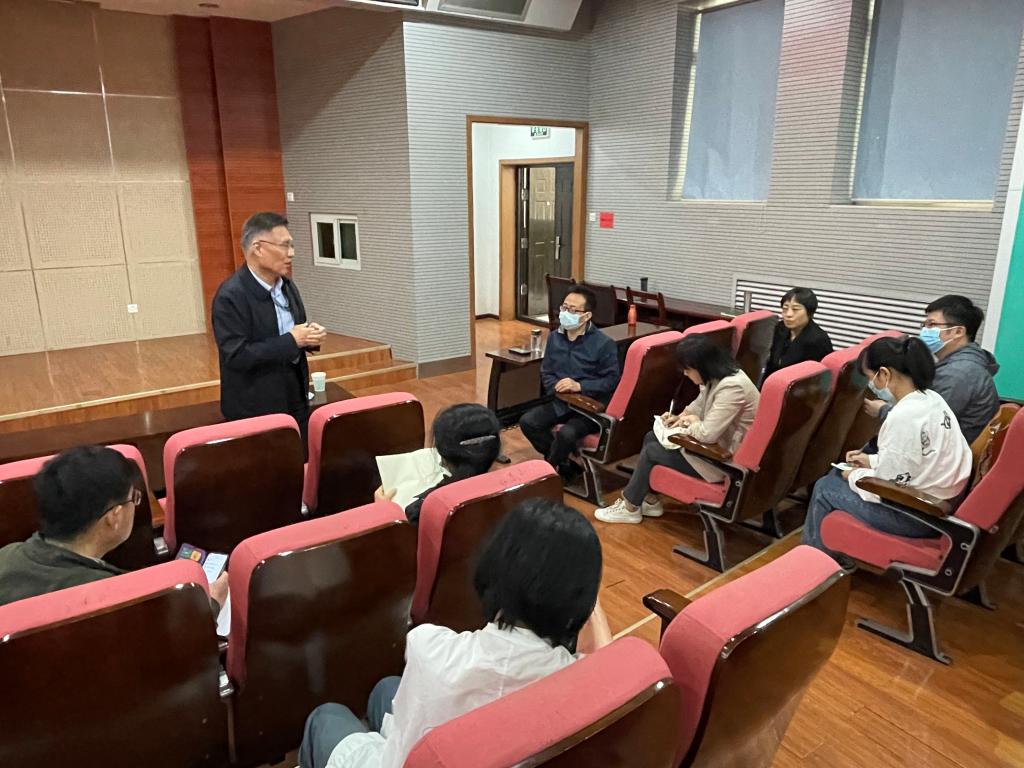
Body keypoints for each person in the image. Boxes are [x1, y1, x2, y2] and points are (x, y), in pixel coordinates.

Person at [298, 498, 612, 768]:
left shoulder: (431, 650)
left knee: (325, 718)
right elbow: (612, 669)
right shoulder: (581, 682)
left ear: (494, 566)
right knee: (385, 689)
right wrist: (587, 610)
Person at [802, 337, 972, 561]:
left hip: (918, 514)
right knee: (838, 474)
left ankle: (814, 561)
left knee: (825, 486)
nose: (870, 385)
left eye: (870, 377)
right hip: (940, 500)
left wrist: (853, 475)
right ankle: (831, 553)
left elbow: (885, 486)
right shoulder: (932, 399)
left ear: (884, 374)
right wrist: (870, 461)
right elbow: (915, 458)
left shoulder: (903, 416)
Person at [0, 446, 230, 609]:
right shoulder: (112, 597)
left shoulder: (6, 556)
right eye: (134, 498)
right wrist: (211, 603)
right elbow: (175, 638)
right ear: (114, 517)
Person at [595, 335, 760, 524]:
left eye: (687, 370)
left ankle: (630, 507)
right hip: (717, 446)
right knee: (651, 437)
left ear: (702, 366)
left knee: (651, 451)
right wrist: (680, 417)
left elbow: (707, 435)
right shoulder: (717, 375)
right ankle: (649, 500)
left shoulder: (732, 387)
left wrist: (689, 422)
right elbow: (700, 403)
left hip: (723, 459)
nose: (685, 374)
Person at [212, 212, 326, 441]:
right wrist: (293, 340)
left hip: (295, 396)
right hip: (254, 407)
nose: (291, 253)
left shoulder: (286, 286)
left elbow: (292, 331)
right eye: (284, 246)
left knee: (301, 457)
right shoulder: (230, 296)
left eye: (291, 245)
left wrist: (309, 337)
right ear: (258, 248)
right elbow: (236, 355)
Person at [863, 295, 999, 445]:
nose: (924, 331)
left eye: (932, 325)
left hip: (943, 455)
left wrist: (883, 410)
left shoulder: (959, 373)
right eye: (924, 325)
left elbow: (924, 427)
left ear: (958, 331)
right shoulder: (962, 364)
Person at [518, 284, 620, 482]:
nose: (566, 313)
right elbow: (546, 371)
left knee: (567, 433)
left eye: (573, 310)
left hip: (590, 406)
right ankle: (564, 464)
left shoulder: (604, 344)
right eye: (564, 308)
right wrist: (556, 387)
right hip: (561, 401)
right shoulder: (555, 337)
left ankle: (548, 472)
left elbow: (611, 381)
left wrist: (580, 386)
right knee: (528, 422)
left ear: (587, 316)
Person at [376, 403, 502, 525]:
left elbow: (401, 536)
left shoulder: (423, 510)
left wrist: (384, 510)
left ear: (442, 453)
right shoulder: (508, 492)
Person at [761, 287, 833, 385]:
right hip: (775, 384)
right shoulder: (780, 328)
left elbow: (818, 381)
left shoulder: (818, 340)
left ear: (809, 312)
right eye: (785, 309)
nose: (788, 314)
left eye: (795, 309)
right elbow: (771, 366)